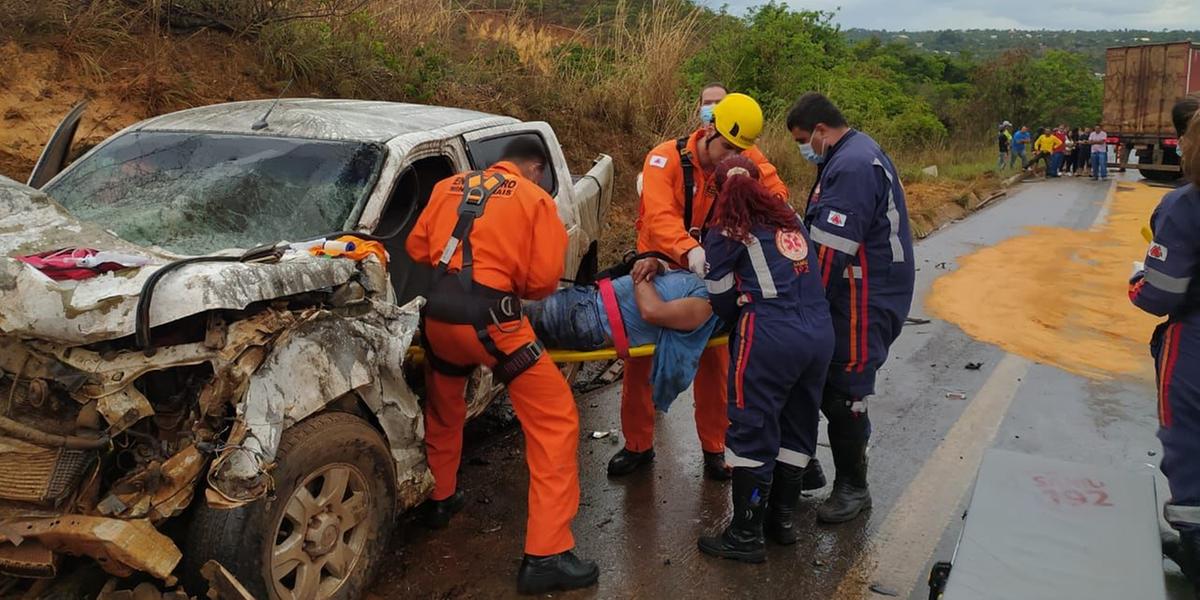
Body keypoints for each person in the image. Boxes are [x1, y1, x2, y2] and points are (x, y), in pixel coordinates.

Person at [405, 138, 598, 594]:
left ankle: (440, 500)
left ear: (499, 162)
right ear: (534, 168)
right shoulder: (534, 199)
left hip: (438, 319)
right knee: (556, 421)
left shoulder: (450, 185)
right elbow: (542, 283)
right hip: (495, 325)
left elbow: (417, 248)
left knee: (444, 406)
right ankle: (547, 553)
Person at [612, 92, 790, 480]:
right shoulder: (665, 158)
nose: (731, 157)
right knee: (639, 360)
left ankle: (714, 447)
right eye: (726, 147)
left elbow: (778, 195)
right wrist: (688, 250)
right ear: (708, 130)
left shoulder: (744, 155)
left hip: (712, 273)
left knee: (715, 361)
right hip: (657, 266)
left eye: (739, 150)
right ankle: (638, 445)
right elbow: (658, 216)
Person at [696, 155, 835, 562]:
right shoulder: (788, 215)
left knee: (752, 427)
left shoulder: (728, 225)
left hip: (771, 335)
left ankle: (745, 534)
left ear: (721, 190)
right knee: (798, 424)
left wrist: (740, 305)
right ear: (760, 182)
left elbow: (718, 293)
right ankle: (782, 522)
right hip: (818, 331)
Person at [786, 92, 916, 523]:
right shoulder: (843, 155)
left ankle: (853, 488)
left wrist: (801, 306)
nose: (804, 148)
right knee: (815, 378)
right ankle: (806, 465)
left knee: (846, 390)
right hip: (853, 287)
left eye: (804, 139)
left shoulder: (853, 164)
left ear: (821, 130)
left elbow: (828, 252)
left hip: (867, 293)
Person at [1128, 95, 1200, 596]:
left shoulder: (1184, 204)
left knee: (1189, 445)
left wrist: (1137, 276)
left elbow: (1159, 294)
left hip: (1194, 338)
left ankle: (1195, 547)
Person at [527, 264, 721, 414]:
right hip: (586, 300)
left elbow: (652, 311)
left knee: (500, 318)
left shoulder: (708, 305)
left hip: (587, 317)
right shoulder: (706, 281)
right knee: (503, 308)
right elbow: (668, 281)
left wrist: (641, 274)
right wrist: (654, 264)